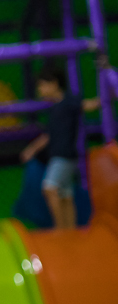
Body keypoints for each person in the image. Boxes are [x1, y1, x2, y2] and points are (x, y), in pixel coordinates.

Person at [20, 66, 101, 229]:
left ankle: (60, 228)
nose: (40, 90)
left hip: (63, 155)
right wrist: (32, 149)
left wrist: (106, 95)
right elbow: (48, 136)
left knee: (50, 188)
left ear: (54, 84)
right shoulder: (54, 108)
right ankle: (70, 230)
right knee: (65, 195)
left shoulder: (69, 102)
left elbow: (90, 105)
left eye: (42, 85)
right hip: (59, 155)